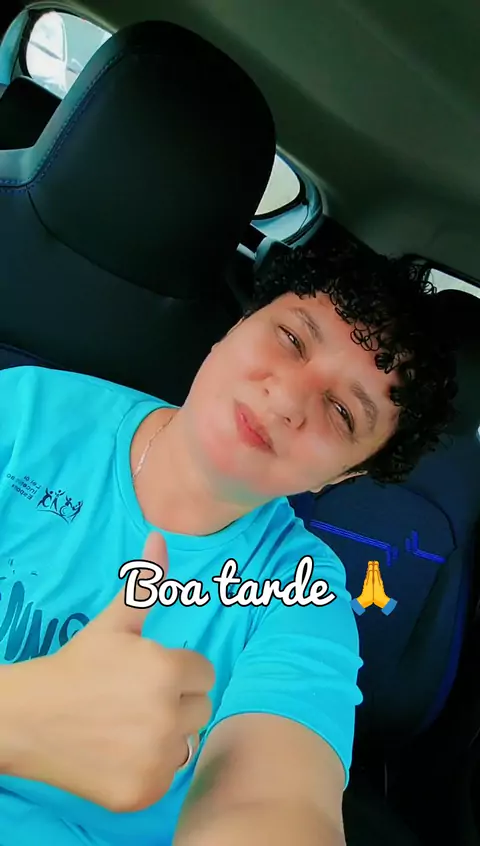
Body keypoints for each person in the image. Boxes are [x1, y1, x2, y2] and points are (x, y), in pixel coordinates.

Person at [0, 243, 456, 846]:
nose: (287, 400)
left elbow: (275, 807)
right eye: (291, 339)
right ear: (235, 327)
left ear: (344, 476)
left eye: (343, 412)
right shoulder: (23, 414)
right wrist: (20, 717)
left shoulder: (300, 597)